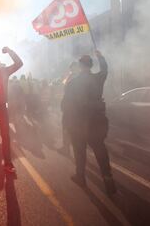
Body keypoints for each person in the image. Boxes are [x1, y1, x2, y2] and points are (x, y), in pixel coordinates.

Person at [61, 50, 116, 195]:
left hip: (78, 122)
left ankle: (81, 177)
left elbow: (66, 104)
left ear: (80, 66)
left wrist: (66, 122)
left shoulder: (72, 83)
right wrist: (101, 57)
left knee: (79, 151)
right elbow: (105, 69)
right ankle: (108, 178)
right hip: (97, 120)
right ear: (91, 65)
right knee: (100, 149)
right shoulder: (98, 78)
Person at [59, 61, 80, 155]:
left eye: (72, 67)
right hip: (77, 108)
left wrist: (63, 105)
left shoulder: (72, 77)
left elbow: (66, 92)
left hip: (70, 107)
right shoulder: (79, 76)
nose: (71, 69)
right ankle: (73, 148)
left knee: (66, 128)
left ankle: (66, 148)